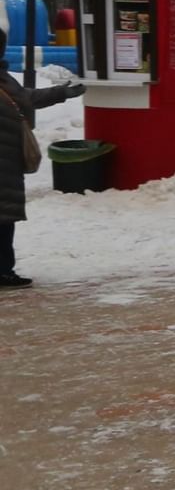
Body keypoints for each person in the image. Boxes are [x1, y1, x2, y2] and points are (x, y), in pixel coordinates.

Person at [0, 16, 87, 288]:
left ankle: (4, 269)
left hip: (7, 164)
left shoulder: (3, 78)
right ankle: (3, 271)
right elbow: (26, 99)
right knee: (3, 221)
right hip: (3, 165)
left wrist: (63, 93)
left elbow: (27, 98)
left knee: (4, 220)